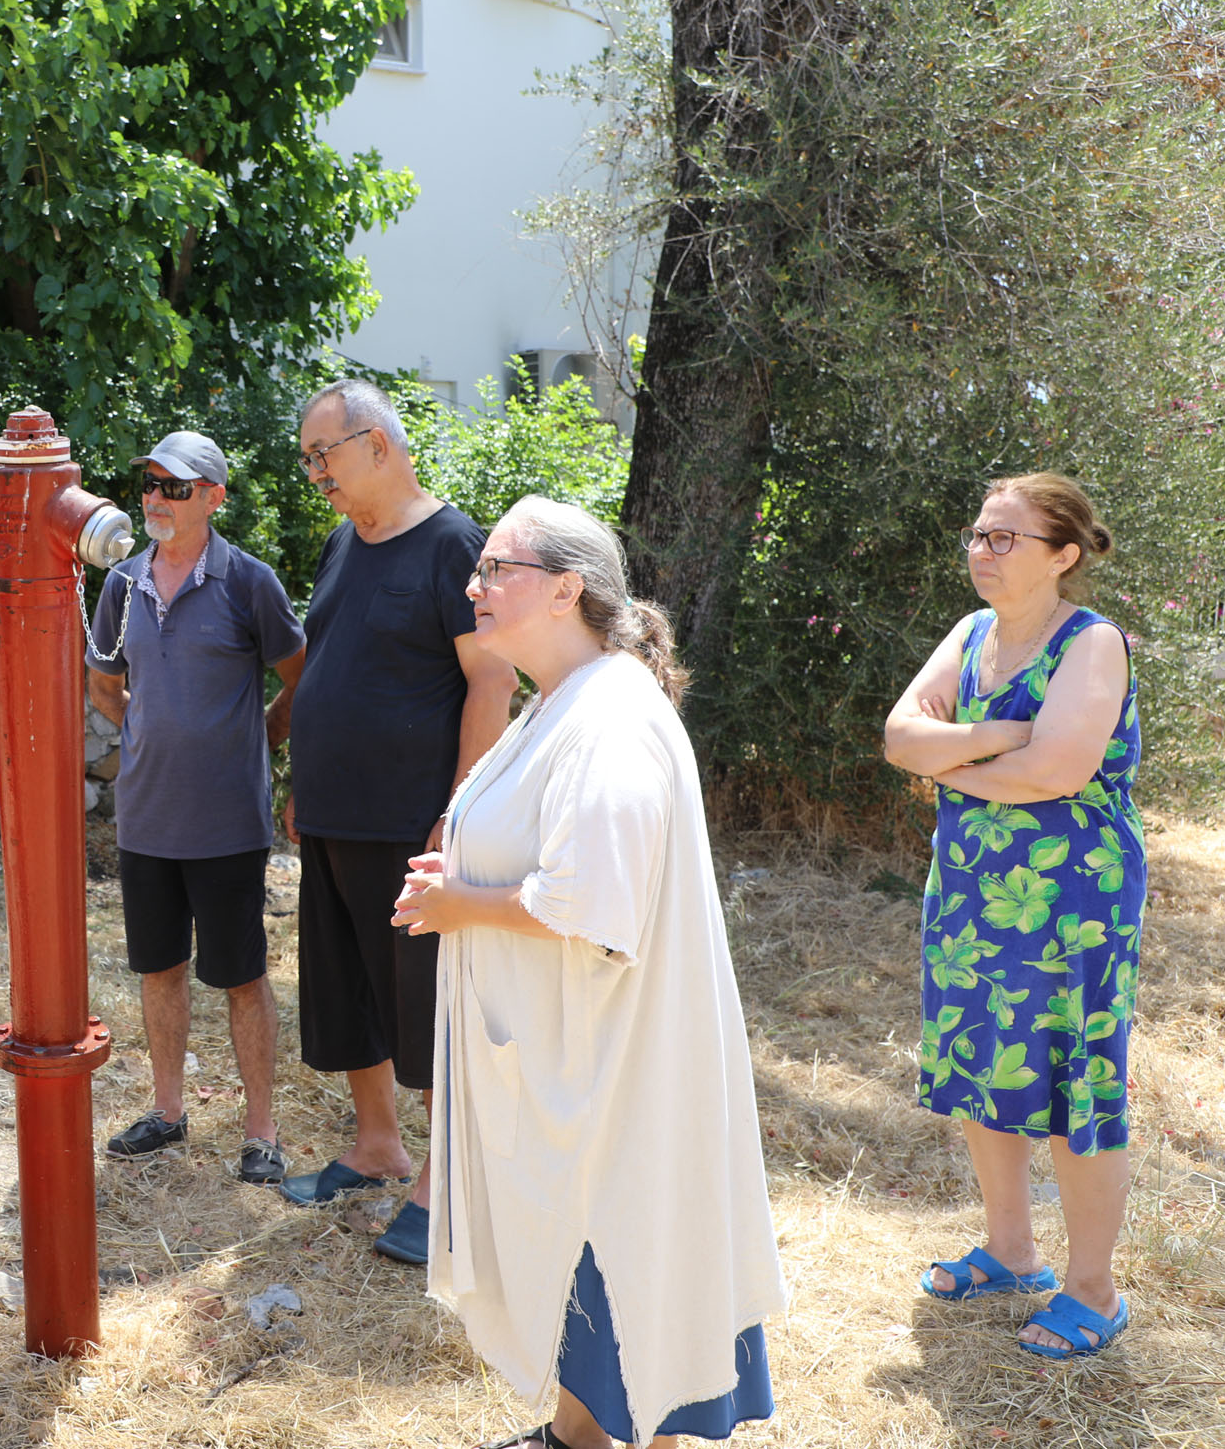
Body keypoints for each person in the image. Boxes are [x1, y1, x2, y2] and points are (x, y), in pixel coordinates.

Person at [403, 496, 786, 1449]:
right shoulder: (564, 699)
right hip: (568, 1046)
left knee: (626, 1243)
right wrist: (466, 872)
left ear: (567, 589)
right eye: (478, 568)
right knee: (584, 1246)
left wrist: (460, 905)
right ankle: (575, 1433)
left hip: (615, 1057)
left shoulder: (611, 718)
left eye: (498, 568)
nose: (474, 585)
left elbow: (592, 904)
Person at [884, 473, 1143, 1360]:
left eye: (1006, 539)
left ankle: (1094, 1291)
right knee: (981, 1059)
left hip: (1073, 897)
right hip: (969, 887)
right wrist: (1001, 735)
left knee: (1075, 1083)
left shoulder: (1091, 643)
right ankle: (1010, 1250)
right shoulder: (970, 634)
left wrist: (947, 762)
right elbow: (899, 736)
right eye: (979, 534)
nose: (982, 551)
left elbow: (1058, 772)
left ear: (1063, 555)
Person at [278, 379, 515, 1268]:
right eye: (307, 458)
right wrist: (308, 781)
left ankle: (446, 1181)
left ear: (377, 444)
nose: (314, 474)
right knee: (348, 995)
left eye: (322, 455)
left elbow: (493, 682)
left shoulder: (455, 544)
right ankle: (376, 1144)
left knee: (426, 1007)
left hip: (414, 822)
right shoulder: (345, 541)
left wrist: (457, 812)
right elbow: (335, 665)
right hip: (335, 814)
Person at [86, 430, 307, 1184]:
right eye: (148, 482)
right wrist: (147, 734)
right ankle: (168, 1111)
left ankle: (261, 1131)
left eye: (174, 486)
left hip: (228, 823)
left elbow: (299, 672)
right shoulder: (120, 584)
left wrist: (265, 735)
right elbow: (102, 683)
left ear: (213, 496)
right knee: (160, 969)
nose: (155, 498)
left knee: (242, 975)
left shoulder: (250, 583)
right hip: (147, 817)